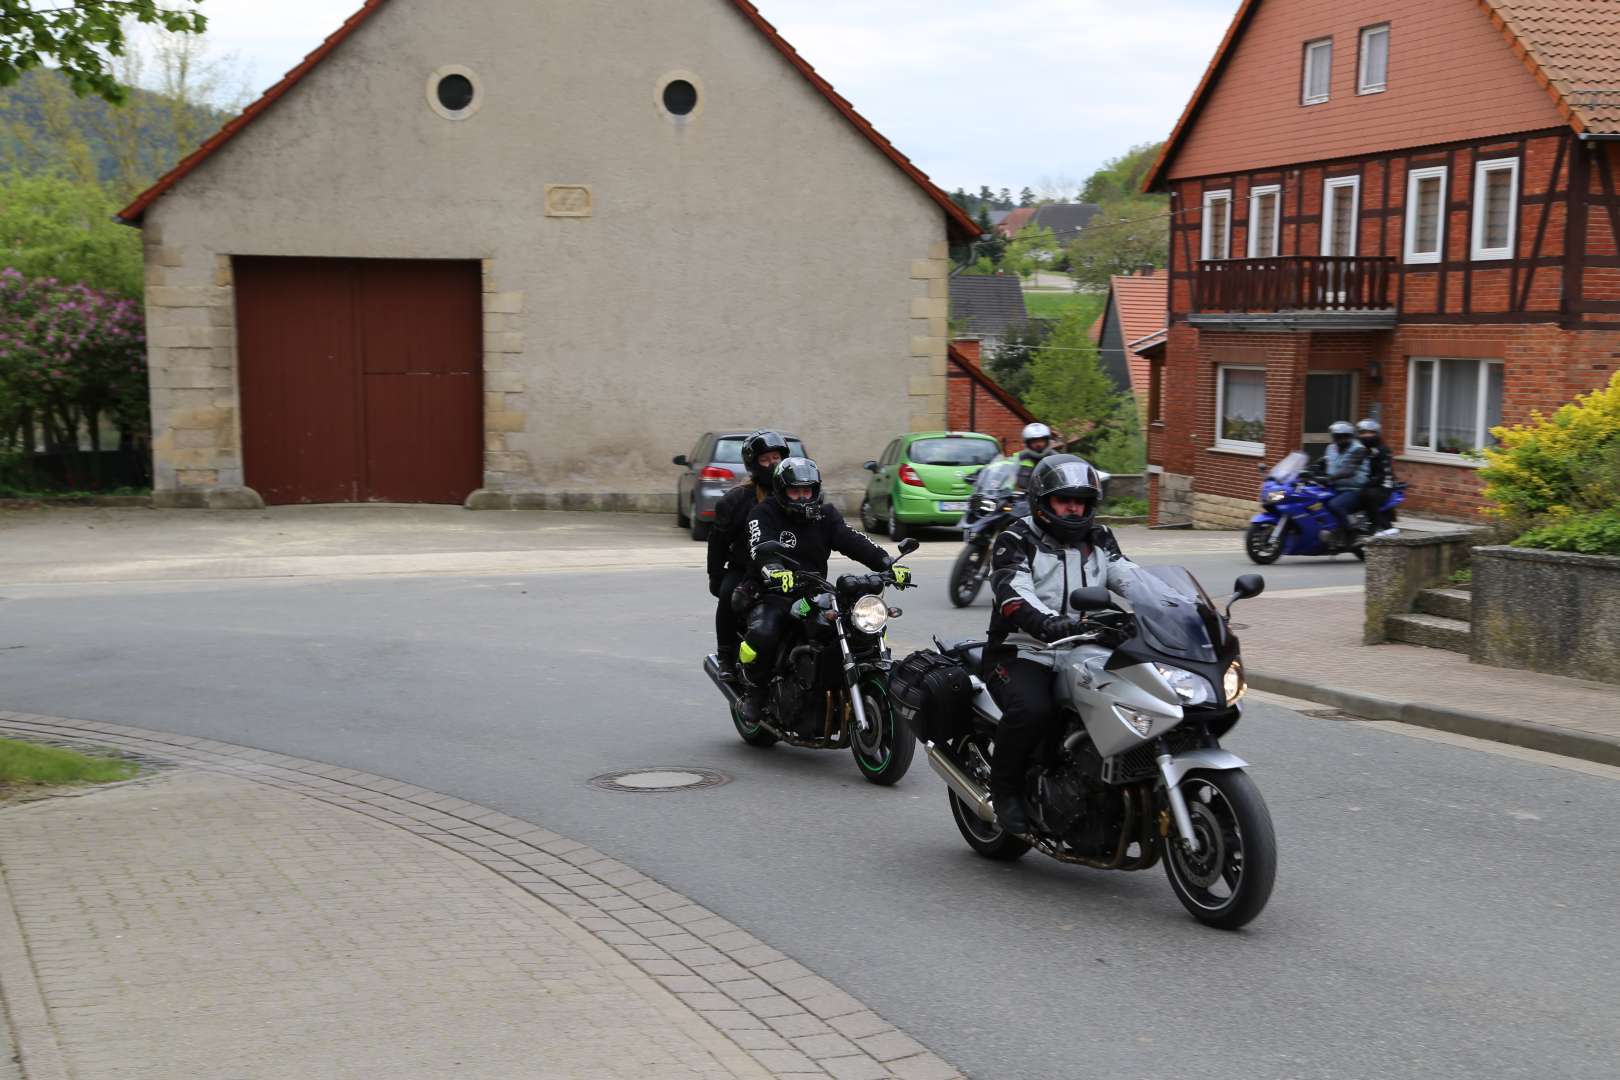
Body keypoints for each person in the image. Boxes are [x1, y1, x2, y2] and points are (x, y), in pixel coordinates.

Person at [985, 454, 1147, 835]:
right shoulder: (1015, 538)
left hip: (1084, 648)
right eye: (1065, 500)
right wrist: (1047, 622)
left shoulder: (1100, 538)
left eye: (1082, 501)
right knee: (1033, 709)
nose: (1075, 509)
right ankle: (1004, 791)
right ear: (1043, 502)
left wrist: (1175, 604)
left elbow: (1130, 577)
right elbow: (1013, 592)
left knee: (1136, 696)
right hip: (1022, 649)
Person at [736, 457, 909, 720]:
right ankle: (755, 690)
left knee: (856, 626)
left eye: (808, 490)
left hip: (813, 591)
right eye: (796, 491)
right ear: (782, 491)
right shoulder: (765, 512)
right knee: (765, 631)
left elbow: (852, 540)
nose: (803, 497)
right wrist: (774, 570)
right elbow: (760, 545)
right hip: (774, 590)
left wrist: (888, 564)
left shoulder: (825, 515)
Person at [708, 430, 789, 681]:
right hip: (746, 570)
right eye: (766, 460)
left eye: (777, 457)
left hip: (788, 569)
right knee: (727, 596)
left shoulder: (796, 492)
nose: (773, 464)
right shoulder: (737, 500)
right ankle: (725, 656)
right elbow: (718, 541)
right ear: (754, 465)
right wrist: (716, 575)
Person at [1315, 420, 1369, 546]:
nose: (1338, 440)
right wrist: (1307, 471)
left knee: (1335, 505)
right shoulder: (1331, 448)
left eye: (1341, 437)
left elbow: (1349, 470)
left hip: (1355, 489)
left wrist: (1331, 478)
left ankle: (1351, 534)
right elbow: (1323, 463)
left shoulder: (1358, 449)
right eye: (1336, 436)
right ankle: (1329, 531)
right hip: (1335, 487)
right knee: (1317, 502)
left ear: (1349, 437)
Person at [1355, 419, 1400, 537]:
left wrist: (1368, 483)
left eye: (1368, 432)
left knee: (1367, 495)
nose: (1365, 435)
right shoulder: (1365, 449)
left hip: (1384, 485)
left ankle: (1380, 525)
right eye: (1362, 432)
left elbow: (1384, 473)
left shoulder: (1382, 450)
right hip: (1372, 482)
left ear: (1376, 433)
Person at [1012, 422, 1054, 491]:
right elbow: (1007, 478)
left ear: (1047, 441)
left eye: (1041, 440)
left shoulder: (1056, 457)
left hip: (1049, 497)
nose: (1038, 444)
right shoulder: (1018, 458)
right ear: (1027, 443)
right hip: (1023, 498)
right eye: (1034, 441)